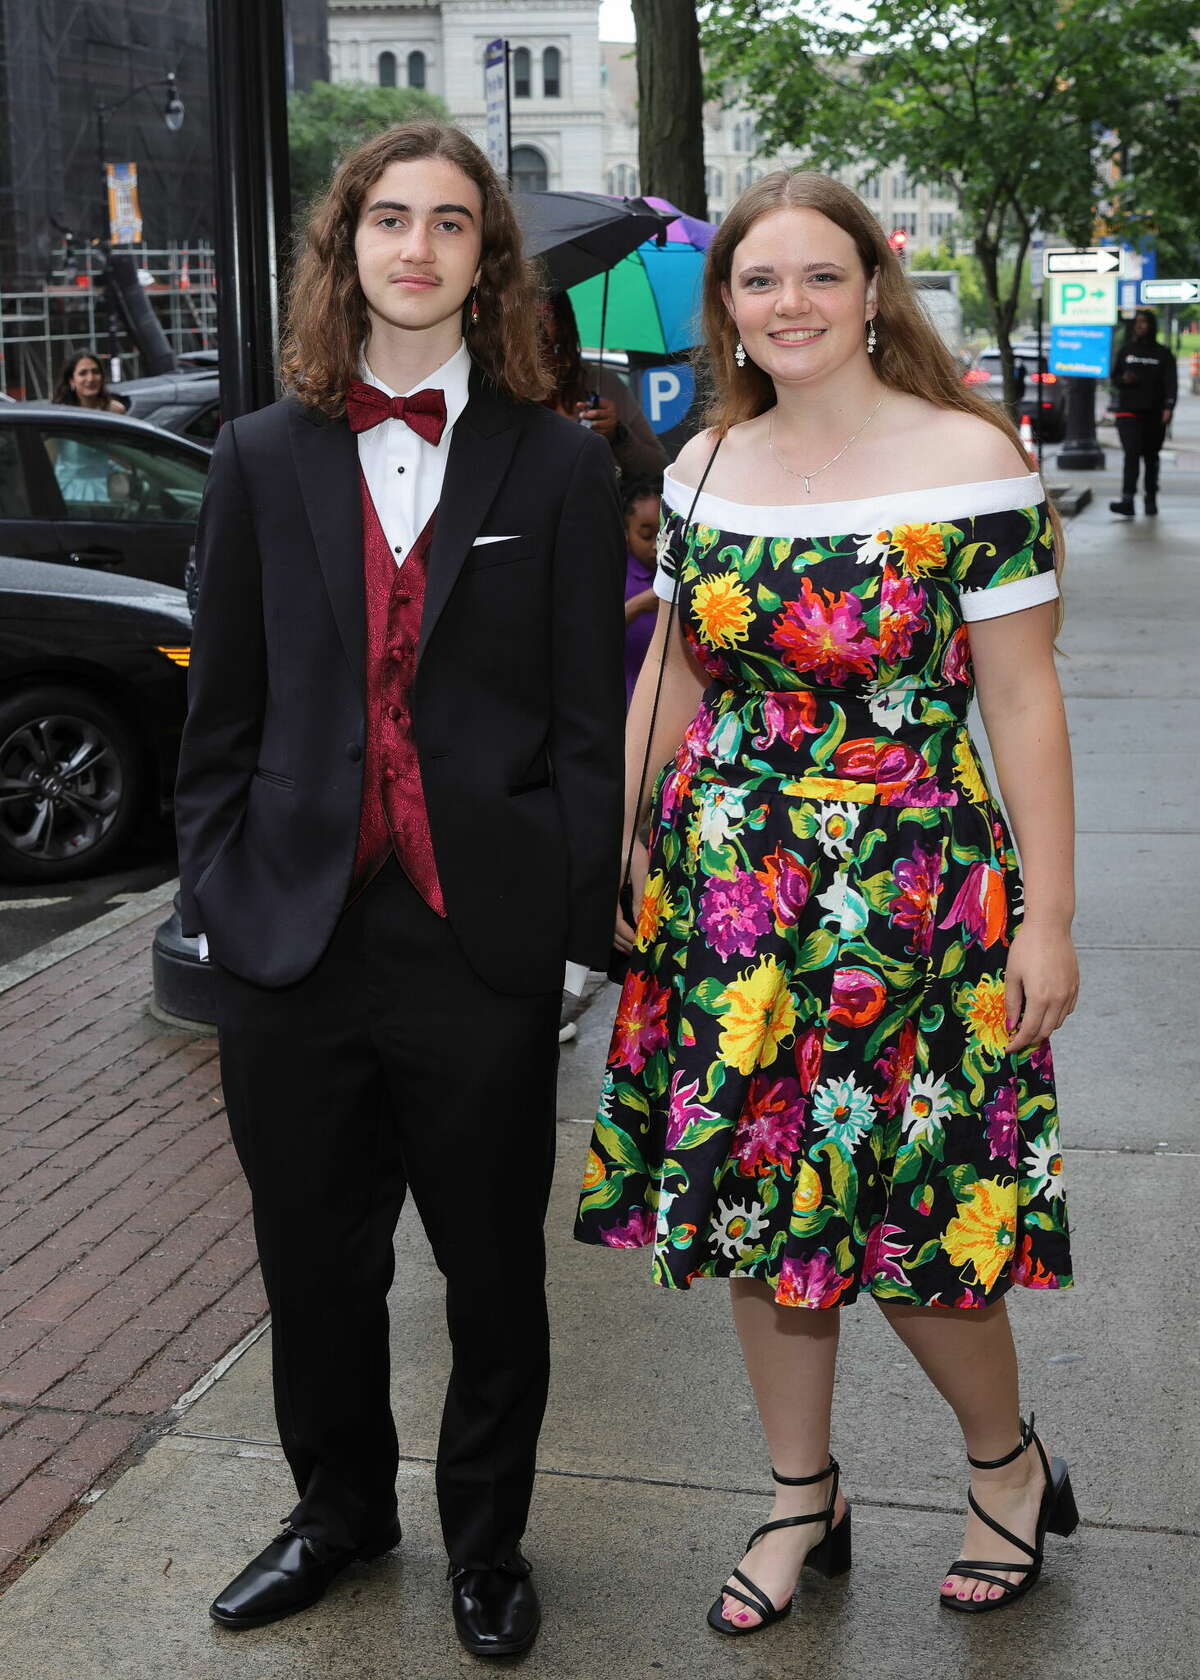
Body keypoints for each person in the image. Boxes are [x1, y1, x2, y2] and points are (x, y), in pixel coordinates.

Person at [575, 170, 1079, 1632]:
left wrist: (1048, 915)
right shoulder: (702, 465)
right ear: (725, 304)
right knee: (756, 1219)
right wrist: (628, 855)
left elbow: (1025, 701)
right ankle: (805, 1496)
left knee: (922, 1224)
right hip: (737, 894)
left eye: (817, 276)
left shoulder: (971, 458)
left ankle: (1007, 1466)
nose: (786, 305)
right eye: (756, 280)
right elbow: (670, 673)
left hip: (921, 890)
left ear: (873, 291)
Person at [174, 121, 625, 1657]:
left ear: (484, 256)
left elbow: (582, 722)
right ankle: (337, 1516)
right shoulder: (255, 455)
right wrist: (224, 893)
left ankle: (487, 1547)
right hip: (290, 933)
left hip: (476, 936)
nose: (416, 246)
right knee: (316, 1261)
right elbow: (217, 717)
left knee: (492, 1271)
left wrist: (570, 939)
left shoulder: (557, 460)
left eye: (449, 222)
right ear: (346, 247)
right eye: (388, 220)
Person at [542, 289, 668, 480]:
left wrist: (617, 435)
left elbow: (657, 467)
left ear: (560, 323)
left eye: (545, 313)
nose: (533, 322)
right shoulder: (499, 390)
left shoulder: (598, 382)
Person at [1108, 308, 1176, 517]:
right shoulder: (1127, 351)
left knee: (1151, 457)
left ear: (1151, 326)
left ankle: (1150, 499)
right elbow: (1115, 378)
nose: (1140, 325)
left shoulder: (1163, 354)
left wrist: (1168, 407)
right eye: (1137, 322)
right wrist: (1123, 380)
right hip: (1128, 413)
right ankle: (1127, 500)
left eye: (1144, 322)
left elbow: (1170, 384)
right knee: (1131, 455)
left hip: (1154, 414)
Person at [620, 478, 662, 707]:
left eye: (662, 533)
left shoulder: (685, 572)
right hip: (629, 697)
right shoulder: (616, 575)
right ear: (626, 534)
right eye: (646, 536)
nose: (656, 545)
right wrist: (636, 606)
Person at [51, 350, 129, 414]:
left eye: (95, 372)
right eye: (83, 373)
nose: (90, 379)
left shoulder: (115, 411)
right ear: (71, 381)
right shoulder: (61, 413)